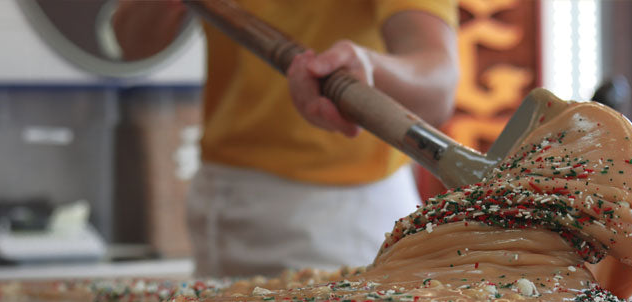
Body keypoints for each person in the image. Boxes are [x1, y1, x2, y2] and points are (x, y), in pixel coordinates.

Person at [113, 0, 459, 276]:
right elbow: (131, 43)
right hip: (218, 197)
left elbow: (438, 84)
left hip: (338, 216)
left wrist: (369, 69)